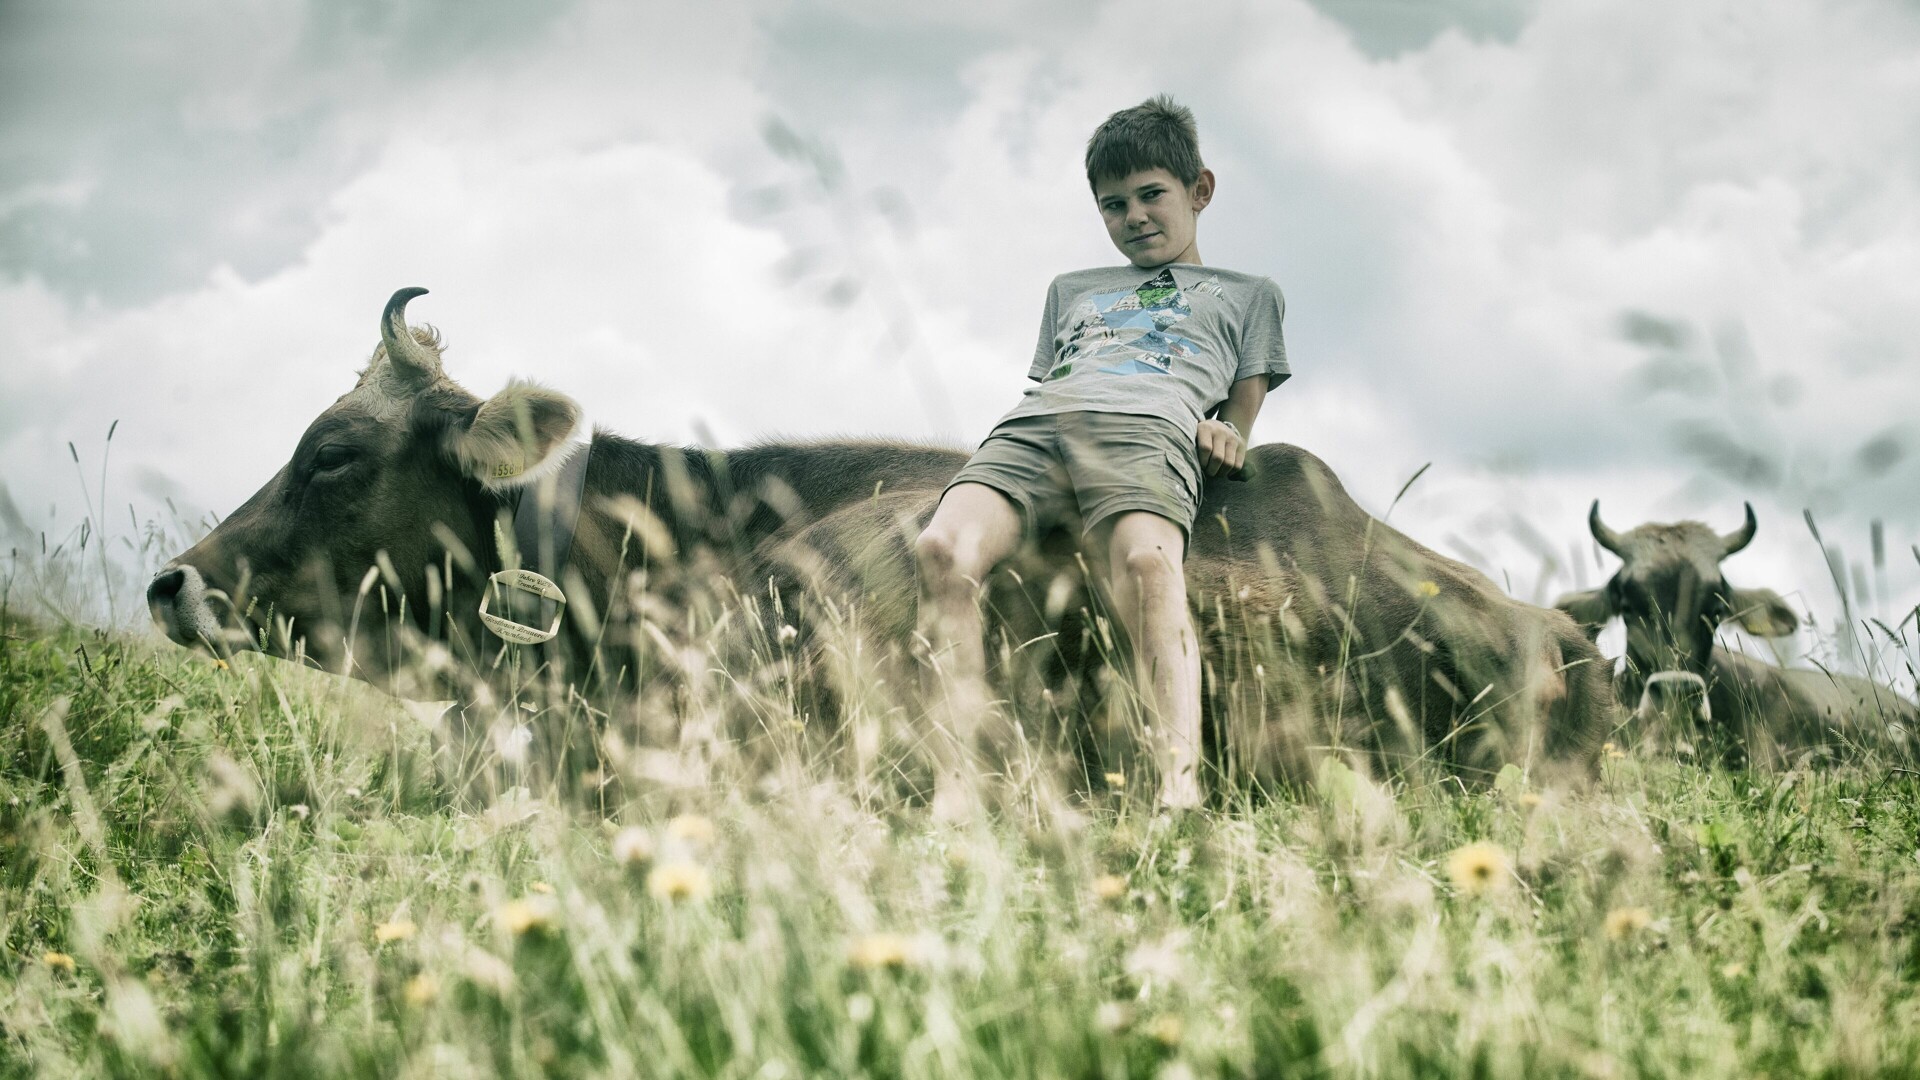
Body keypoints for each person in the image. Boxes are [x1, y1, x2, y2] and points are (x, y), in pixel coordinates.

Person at [913, 95, 1291, 812]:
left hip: (1148, 428)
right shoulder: (1071, 289)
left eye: (1152, 195)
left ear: (1199, 190)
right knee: (940, 549)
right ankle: (956, 782)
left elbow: (1244, 406)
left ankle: (1178, 786)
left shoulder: (1249, 295)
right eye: (1114, 205)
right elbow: (1057, 377)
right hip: (1037, 426)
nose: (1135, 216)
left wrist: (1228, 432)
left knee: (1148, 567)